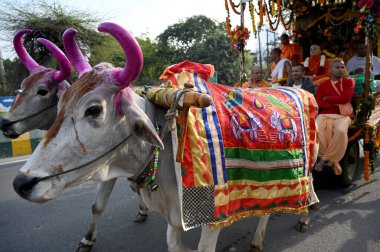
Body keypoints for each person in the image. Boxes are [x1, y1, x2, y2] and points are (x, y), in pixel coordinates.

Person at [314, 59, 355, 175]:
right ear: (330, 70)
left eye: (342, 67)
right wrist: (335, 103)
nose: (340, 70)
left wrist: (327, 98)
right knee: (318, 130)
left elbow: (345, 98)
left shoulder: (349, 82)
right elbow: (318, 102)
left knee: (341, 131)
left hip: (342, 115)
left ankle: (323, 160)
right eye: (337, 67)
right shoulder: (323, 85)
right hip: (324, 114)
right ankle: (331, 159)